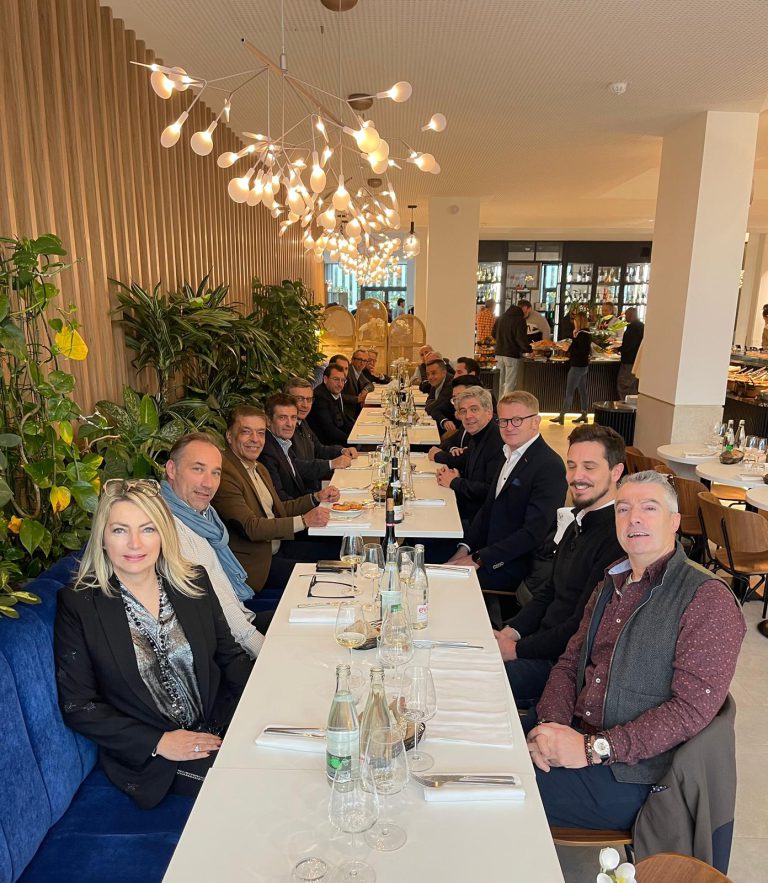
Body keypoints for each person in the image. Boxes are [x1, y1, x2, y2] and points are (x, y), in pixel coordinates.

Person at [527, 471, 745, 831]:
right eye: (624, 509)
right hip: (579, 732)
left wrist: (592, 749)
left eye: (649, 508)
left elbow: (689, 711)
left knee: (502, 792)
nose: (634, 519)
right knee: (488, 747)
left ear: (674, 522)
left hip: (638, 776)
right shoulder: (612, 581)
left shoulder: (707, 599)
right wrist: (550, 725)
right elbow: (569, 662)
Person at [55, 479, 253, 808]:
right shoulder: (80, 605)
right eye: (120, 530)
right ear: (102, 537)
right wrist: (158, 742)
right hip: (160, 756)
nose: (135, 543)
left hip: (222, 720)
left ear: (163, 533)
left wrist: (259, 708)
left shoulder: (193, 581)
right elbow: (79, 705)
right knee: (249, 786)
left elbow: (230, 656)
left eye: (147, 529)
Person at [494, 425, 626, 709]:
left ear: (616, 472)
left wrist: (516, 649)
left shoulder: (616, 538)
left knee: (475, 680)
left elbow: (581, 627)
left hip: (563, 667)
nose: (577, 476)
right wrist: (511, 632)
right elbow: (548, 592)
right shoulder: (580, 520)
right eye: (572, 465)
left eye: (589, 467)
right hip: (539, 643)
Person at [446, 391, 567, 626]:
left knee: (448, 578)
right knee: (428, 556)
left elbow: (533, 534)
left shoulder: (548, 466)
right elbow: (488, 509)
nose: (509, 427)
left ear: (535, 422)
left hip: (518, 562)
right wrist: (464, 549)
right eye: (503, 421)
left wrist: (480, 558)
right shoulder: (508, 453)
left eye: (517, 420)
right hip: (491, 548)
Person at [162, 433, 272, 658]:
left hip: (243, 618)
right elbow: (224, 612)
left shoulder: (203, 515)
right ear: (172, 469)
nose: (208, 483)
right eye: (198, 469)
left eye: (216, 473)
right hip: (223, 647)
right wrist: (268, 654)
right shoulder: (172, 529)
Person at [212, 405, 339, 598]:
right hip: (259, 565)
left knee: (337, 550)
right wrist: (304, 521)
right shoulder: (225, 474)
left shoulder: (258, 467)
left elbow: (278, 509)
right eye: (246, 432)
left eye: (260, 433)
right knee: (328, 576)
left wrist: (315, 498)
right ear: (229, 436)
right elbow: (251, 527)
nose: (255, 439)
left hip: (279, 547)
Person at [435, 386, 505, 526]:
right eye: (463, 411)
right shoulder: (477, 435)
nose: (468, 416)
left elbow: (492, 491)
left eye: (474, 409)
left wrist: (455, 482)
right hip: (471, 511)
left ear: (489, 412)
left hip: (481, 521)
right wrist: (456, 475)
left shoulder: (498, 441)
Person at [285, 377, 357, 492]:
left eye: (309, 399)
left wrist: (342, 450)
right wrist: (330, 464)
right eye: (299, 399)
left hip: (315, 487)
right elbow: (294, 467)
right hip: (304, 494)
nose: (305, 405)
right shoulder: (285, 429)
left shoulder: (302, 422)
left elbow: (318, 449)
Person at [551, 312, 592, 425]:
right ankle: (584, 414)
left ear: (578, 321)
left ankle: (562, 415)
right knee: (583, 391)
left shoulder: (581, 334)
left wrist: (567, 348)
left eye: (575, 320)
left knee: (569, 392)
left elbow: (578, 351)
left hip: (577, 366)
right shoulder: (586, 333)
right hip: (584, 366)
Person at [307, 363, 355, 446]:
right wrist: (351, 441)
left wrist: (356, 432)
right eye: (336, 379)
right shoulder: (319, 397)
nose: (340, 384)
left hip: (335, 441)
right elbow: (329, 430)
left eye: (343, 380)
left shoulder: (333, 392)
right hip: (324, 446)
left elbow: (342, 421)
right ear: (325, 379)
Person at [492, 303, 531, 397]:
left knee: (499, 382)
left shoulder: (501, 317)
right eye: (528, 311)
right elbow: (520, 338)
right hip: (512, 355)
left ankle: (498, 403)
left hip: (498, 354)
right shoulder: (520, 320)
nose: (528, 313)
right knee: (509, 383)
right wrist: (529, 350)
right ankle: (506, 404)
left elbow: (493, 333)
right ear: (525, 308)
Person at [329, 353, 368, 418]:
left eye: (346, 369)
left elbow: (369, 384)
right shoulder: (329, 385)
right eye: (340, 368)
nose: (344, 372)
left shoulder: (356, 373)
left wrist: (365, 390)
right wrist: (357, 399)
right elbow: (338, 396)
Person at [617, 307, 644, 399]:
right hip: (637, 361)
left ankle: (625, 404)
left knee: (624, 386)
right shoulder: (642, 327)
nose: (625, 317)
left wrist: (619, 349)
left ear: (631, 315)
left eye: (626, 315)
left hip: (629, 362)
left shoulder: (632, 328)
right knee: (634, 387)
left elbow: (629, 345)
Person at [424, 358, 457, 434]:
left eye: (433, 373)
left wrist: (432, 405)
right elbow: (429, 403)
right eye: (428, 374)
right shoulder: (436, 382)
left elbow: (432, 408)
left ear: (444, 373)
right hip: (442, 424)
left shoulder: (450, 385)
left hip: (453, 429)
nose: (430, 377)